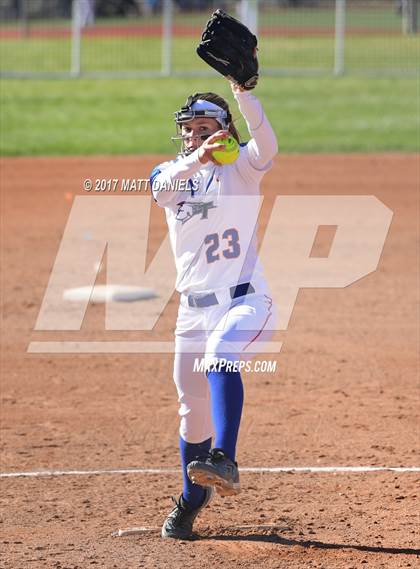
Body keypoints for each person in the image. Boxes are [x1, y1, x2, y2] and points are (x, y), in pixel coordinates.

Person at [150, 80, 278, 540]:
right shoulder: (170, 172)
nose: (197, 135)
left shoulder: (244, 167)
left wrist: (244, 93)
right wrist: (197, 158)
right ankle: (191, 498)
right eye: (190, 129)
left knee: (222, 353)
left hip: (245, 300)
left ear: (225, 130)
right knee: (191, 407)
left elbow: (267, 144)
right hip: (191, 312)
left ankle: (224, 457)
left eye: (206, 128)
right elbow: (161, 188)